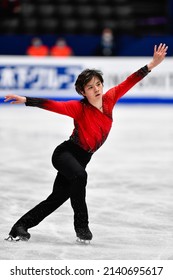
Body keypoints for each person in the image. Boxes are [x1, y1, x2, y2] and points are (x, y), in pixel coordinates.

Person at [4, 43, 168, 243]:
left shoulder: (110, 99)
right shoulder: (78, 108)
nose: (96, 89)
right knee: (80, 176)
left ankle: (20, 227)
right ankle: (81, 226)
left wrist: (152, 64)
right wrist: (27, 100)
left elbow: (129, 81)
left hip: (82, 159)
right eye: (90, 87)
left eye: (98, 84)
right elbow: (54, 104)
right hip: (65, 154)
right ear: (83, 92)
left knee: (56, 198)